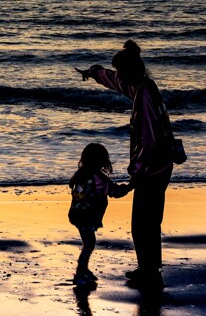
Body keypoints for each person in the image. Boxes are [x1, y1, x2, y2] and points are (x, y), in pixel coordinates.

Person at [76, 40, 174, 289]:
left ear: (129, 71)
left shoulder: (144, 96)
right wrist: (96, 73)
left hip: (153, 169)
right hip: (159, 166)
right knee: (149, 221)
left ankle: (150, 272)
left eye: (120, 71)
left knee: (143, 223)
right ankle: (150, 268)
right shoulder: (144, 86)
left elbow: (149, 139)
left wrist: (137, 172)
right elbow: (116, 82)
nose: (119, 76)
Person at [68, 143, 130, 287]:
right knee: (89, 244)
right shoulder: (98, 178)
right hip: (88, 216)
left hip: (76, 214)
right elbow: (114, 191)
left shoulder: (79, 173)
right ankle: (80, 273)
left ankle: (84, 270)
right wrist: (130, 187)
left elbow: (71, 184)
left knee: (87, 243)